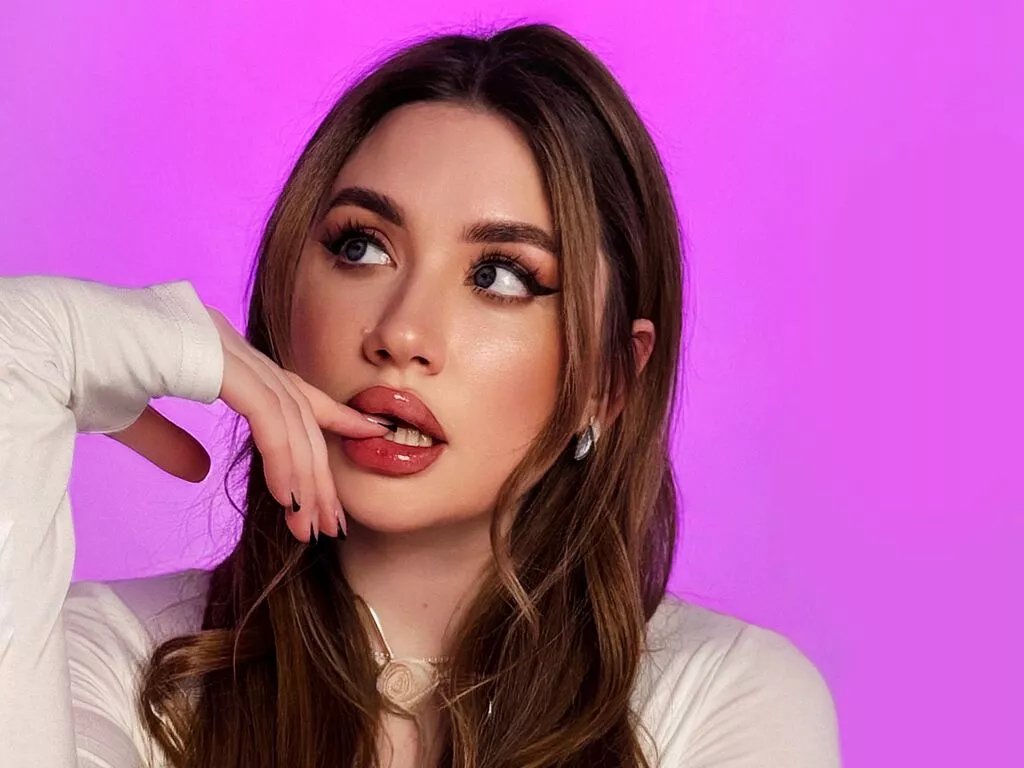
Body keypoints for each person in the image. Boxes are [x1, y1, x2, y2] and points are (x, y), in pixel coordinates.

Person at [0, 22, 841, 768]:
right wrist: (27, 349)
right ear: (286, 302)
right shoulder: (110, 658)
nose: (401, 333)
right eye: (361, 248)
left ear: (607, 382)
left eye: (500, 275)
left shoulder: (723, 699)